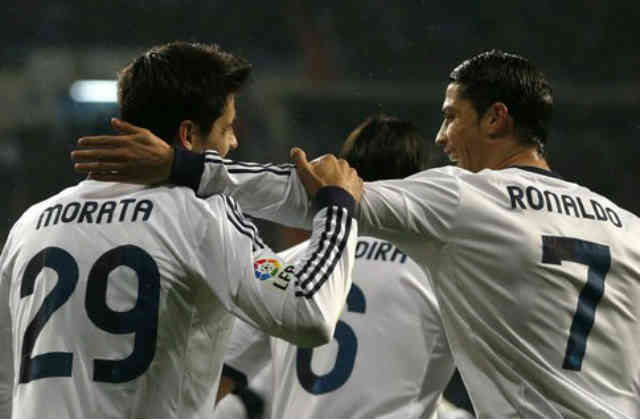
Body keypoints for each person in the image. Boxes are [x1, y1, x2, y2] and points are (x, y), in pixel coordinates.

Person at [71, 50, 640, 417]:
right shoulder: (627, 227)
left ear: (495, 119)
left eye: (450, 116)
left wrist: (184, 167)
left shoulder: (464, 198)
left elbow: (318, 189)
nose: (442, 137)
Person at [0, 41, 363, 418]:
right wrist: (337, 208)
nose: (234, 141)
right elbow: (309, 312)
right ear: (188, 136)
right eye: (227, 128)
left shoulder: (30, 224)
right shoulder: (198, 214)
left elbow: (4, 385)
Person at [216, 114, 458, 418]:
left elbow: (217, 383)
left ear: (344, 174)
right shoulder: (442, 274)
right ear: (420, 185)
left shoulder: (287, 266)